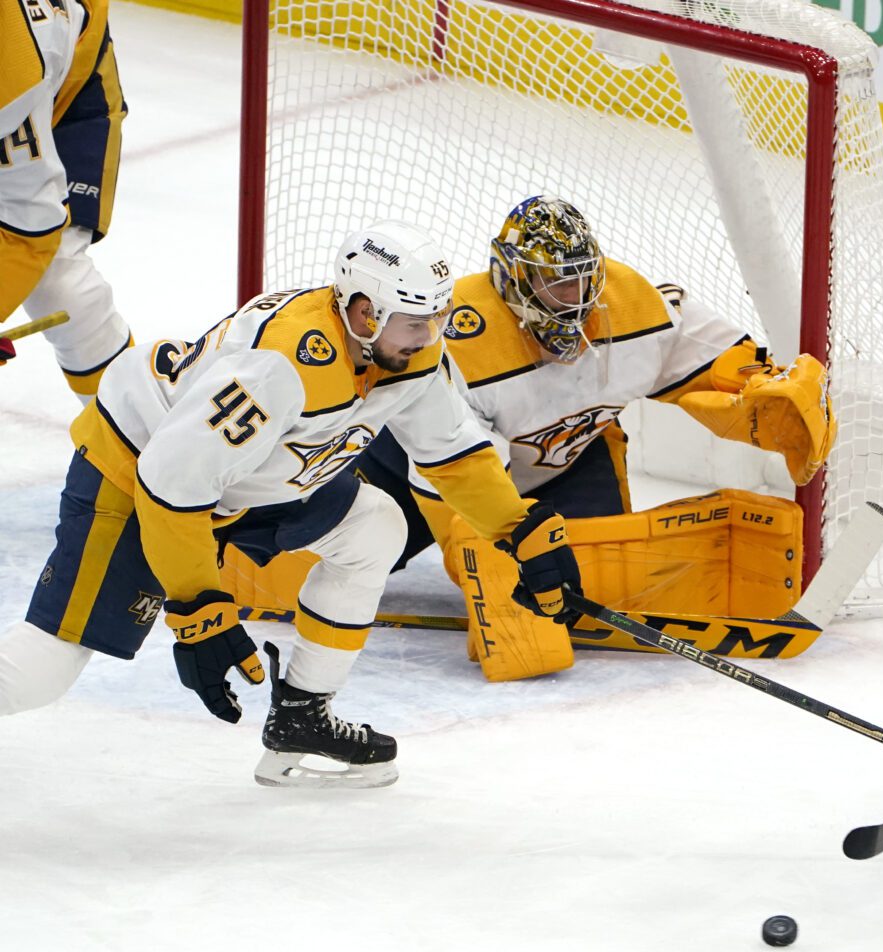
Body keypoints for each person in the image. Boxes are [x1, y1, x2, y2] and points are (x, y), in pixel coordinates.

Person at [0, 220, 583, 788]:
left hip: (248, 479)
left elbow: (452, 453)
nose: (430, 336)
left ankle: (302, 718)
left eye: (435, 318)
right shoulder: (281, 366)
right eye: (414, 322)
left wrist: (518, 529)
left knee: (375, 528)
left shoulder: (409, 355)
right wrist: (197, 608)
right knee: (43, 673)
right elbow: (171, 483)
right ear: (364, 312)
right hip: (136, 478)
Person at [230, 195, 835, 681]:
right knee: (352, 548)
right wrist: (490, 551)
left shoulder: (634, 304)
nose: (576, 301)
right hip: (417, 470)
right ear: (513, 281)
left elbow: (715, 358)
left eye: (582, 281)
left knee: (590, 580)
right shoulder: (458, 338)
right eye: (555, 285)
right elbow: (455, 467)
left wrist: (758, 388)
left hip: (569, 463)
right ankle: (223, 544)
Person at [1, 0, 134, 400]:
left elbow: (31, 234)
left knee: (59, 281)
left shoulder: (13, 81)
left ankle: (127, 430)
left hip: (70, 104)